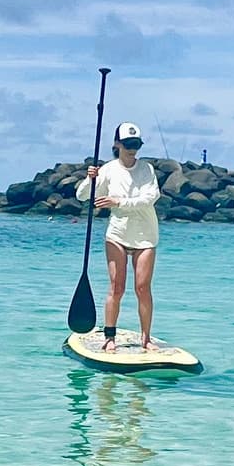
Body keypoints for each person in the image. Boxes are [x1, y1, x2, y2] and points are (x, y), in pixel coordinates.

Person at [79, 120, 161, 348]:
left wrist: (118, 202)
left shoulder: (147, 170)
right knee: (117, 288)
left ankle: (146, 338)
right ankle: (110, 337)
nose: (132, 148)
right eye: (127, 144)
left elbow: (149, 198)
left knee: (142, 288)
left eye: (136, 144)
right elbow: (82, 196)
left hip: (145, 236)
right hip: (117, 235)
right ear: (117, 144)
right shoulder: (108, 170)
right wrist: (90, 179)